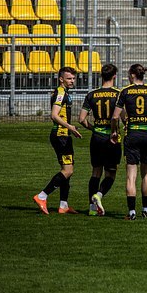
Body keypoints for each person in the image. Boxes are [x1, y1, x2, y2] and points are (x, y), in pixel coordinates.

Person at [110, 64, 147, 220]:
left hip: (132, 134)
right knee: (146, 174)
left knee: (131, 176)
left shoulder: (125, 91)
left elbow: (115, 116)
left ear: (132, 75)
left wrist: (114, 131)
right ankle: (145, 209)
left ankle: (131, 212)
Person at [33, 66, 83, 214]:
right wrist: (70, 127)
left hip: (64, 135)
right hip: (61, 135)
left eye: (73, 78)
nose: (72, 81)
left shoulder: (64, 92)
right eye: (69, 78)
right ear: (61, 79)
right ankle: (42, 196)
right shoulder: (61, 93)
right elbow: (54, 115)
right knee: (68, 170)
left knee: (67, 170)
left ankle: (63, 205)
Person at [78, 63, 123, 216]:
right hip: (112, 138)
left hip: (96, 137)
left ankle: (92, 209)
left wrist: (94, 128)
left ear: (101, 76)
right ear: (114, 76)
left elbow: (81, 119)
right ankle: (99, 195)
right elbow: (123, 118)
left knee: (96, 172)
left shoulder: (91, 94)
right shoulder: (118, 94)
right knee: (111, 173)